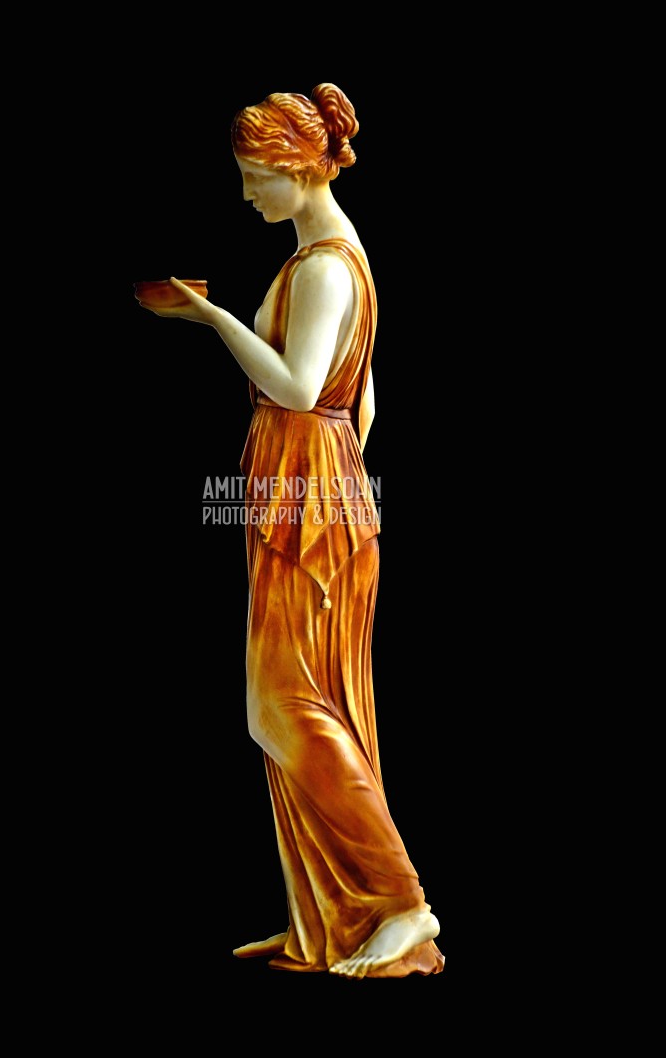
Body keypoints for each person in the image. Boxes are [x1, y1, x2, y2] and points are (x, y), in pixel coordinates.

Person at [135, 83, 444, 979]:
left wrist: (211, 319)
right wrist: (340, 478)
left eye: (251, 179)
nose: (245, 197)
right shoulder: (338, 253)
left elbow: (305, 390)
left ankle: (402, 904)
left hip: (306, 492)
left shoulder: (319, 266)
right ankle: (328, 918)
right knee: (307, 702)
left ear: (294, 169)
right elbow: (365, 398)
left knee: (284, 705)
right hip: (316, 487)